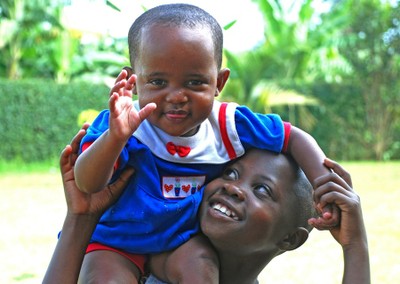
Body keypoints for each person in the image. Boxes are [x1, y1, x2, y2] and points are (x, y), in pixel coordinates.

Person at [73, 3, 338, 283]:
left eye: (195, 82)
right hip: (117, 241)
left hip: (182, 240)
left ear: (218, 83)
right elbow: (88, 184)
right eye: (159, 81)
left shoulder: (227, 124)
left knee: (201, 271)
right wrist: (115, 139)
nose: (176, 96)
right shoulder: (119, 123)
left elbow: (292, 137)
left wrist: (324, 183)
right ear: (135, 83)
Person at [43, 125, 369, 284]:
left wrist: (355, 245)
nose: (232, 188)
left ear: (290, 239)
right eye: (230, 172)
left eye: (262, 190)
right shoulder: (146, 271)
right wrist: (81, 216)